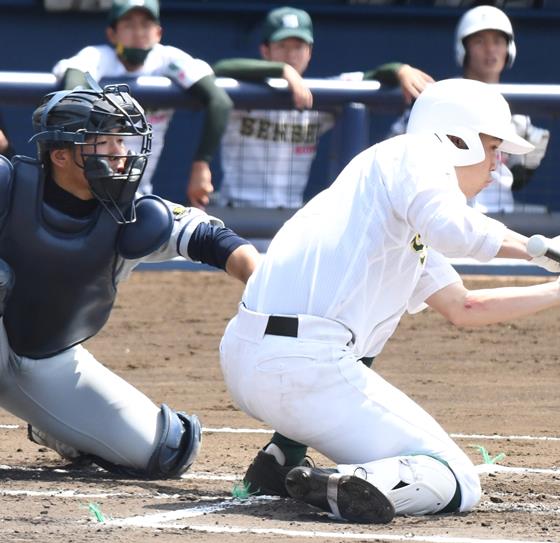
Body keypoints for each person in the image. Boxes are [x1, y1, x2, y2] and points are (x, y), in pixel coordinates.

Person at [219, 78, 560, 524]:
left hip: (258, 363)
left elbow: (463, 306)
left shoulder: (389, 203)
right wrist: (539, 249)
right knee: (458, 480)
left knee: (374, 381)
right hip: (300, 368)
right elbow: (455, 231)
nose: (498, 167)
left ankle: (283, 458)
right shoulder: (415, 154)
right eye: (493, 148)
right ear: (458, 138)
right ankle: (346, 480)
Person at [0, 78, 259, 478]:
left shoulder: (135, 215)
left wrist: (260, 278)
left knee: (167, 451)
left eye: (123, 142)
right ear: (61, 155)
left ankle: (56, 426)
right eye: (105, 142)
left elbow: (214, 240)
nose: (121, 154)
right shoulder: (7, 187)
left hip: (49, 359)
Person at [212, 6, 433, 210]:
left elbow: (369, 78)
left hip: (288, 214)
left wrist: (399, 70)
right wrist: (281, 71)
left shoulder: (320, 95)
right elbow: (219, 69)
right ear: (265, 50)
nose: (290, 55)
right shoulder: (246, 90)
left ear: (309, 51)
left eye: (298, 46)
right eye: (282, 46)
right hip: (237, 209)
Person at [52, 0, 233, 208]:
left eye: (146, 24)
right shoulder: (98, 56)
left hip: (139, 190)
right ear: (112, 34)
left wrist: (201, 165)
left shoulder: (167, 59)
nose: (138, 32)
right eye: (128, 24)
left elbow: (220, 101)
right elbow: (71, 89)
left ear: (158, 32)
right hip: (91, 187)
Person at [388, 5, 549, 213]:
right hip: (449, 211)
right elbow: (396, 154)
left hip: (500, 215)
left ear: (509, 48)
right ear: (463, 48)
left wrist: (529, 162)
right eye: (480, 41)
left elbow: (515, 181)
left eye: (498, 41)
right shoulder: (441, 98)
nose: (490, 50)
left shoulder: (516, 112)